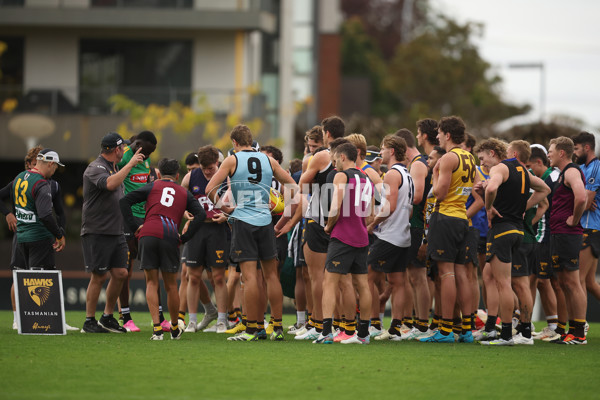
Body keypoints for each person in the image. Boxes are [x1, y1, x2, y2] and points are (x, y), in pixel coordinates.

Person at [206, 124, 298, 341]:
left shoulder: (232, 159)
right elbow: (293, 185)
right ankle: (276, 327)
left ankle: (252, 329)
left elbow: (211, 188)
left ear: (234, 143)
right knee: (271, 276)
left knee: (249, 278)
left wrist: (225, 209)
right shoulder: (268, 160)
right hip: (266, 221)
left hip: (243, 221)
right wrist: (285, 215)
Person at [120, 158, 206, 340]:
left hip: (148, 234)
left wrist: (135, 226)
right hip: (169, 236)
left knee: (151, 282)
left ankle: (157, 329)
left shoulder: (152, 186)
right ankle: (175, 328)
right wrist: (185, 238)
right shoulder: (183, 192)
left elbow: (124, 201)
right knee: (171, 285)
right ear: (177, 175)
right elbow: (201, 214)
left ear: (158, 174)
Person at [479, 140, 550, 346]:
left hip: (502, 230)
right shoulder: (523, 171)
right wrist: (523, 207)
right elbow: (545, 189)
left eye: (483, 158)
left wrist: (489, 207)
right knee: (494, 276)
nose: (483, 163)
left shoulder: (501, 167)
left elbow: (491, 188)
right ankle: (515, 330)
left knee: (504, 283)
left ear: (511, 152)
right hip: (518, 230)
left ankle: (506, 335)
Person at [420, 116, 478, 343]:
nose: (437, 137)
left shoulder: (449, 158)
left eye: (440, 133)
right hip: (462, 218)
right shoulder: (469, 157)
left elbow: (440, 193)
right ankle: (465, 329)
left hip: (445, 217)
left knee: (446, 274)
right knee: (462, 275)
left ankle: (445, 330)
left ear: (448, 135)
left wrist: (434, 176)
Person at [80, 132, 144, 333]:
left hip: (116, 231)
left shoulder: (114, 167)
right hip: (98, 230)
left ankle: (107, 316)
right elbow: (109, 184)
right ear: (116, 149)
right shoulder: (96, 167)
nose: (125, 150)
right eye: (123, 147)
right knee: (98, 276)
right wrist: (131, 164)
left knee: (121, 273)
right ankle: (89, 320)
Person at [314, 142, 373, 344]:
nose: (333, 163)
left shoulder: (342, 176)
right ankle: (363, 335)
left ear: (342, 157)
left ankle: (326, 333)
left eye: (334, 159)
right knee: (363, 285)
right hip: (362, 237)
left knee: (329, 283)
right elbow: (371, 214)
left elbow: (335, 206)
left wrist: (329, 226)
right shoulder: (366, 177)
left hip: (342, 236)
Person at [366, 135, 418, 341]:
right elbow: (410, 210)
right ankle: (395, 328)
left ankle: (370, 324)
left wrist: (373, 223)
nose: (381, 152)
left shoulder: (391, 174)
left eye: (383, 148)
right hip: (403, 234)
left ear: (392, 151)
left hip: (389, 235)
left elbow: (390, 206)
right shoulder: (407, 173)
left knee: (367, 276)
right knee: (398, 281)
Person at [181, 145, 229, 333]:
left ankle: (222, 320)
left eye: (211, 168)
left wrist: (226, 216)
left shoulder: (226, 176)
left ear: (217, 163)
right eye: (204, 168)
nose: (208, 172)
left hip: (217, 230)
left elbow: (237, 201)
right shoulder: (191, 177)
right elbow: (181, 200)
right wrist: (186, 213)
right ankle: (192, 320)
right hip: (198, 230)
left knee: (218, 276)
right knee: (193, 276)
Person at [547, 136, 588, 344]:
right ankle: (571, 331)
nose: (548, 154)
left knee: (572, 282)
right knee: (563, 282)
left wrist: (575, 218)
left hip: (567, 234)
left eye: (551, 150)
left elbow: (582, 197)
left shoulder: (571, 171)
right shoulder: (564, 173)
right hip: (559, 233)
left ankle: (579, 333)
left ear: (561, 152)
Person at [117, 130, 158, 332]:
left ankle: (157, 315)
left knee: (151, 266)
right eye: (147, 151)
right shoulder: (126, 155)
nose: (149, 155)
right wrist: (131, 154)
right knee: (125, 270)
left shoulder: (147, 162)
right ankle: (125, 316)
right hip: (127, 218)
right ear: (138, 146)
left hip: (145, 217)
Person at [10, 148, 66, 271]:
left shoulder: (19, 177)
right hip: (39, 238)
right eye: (55, 167)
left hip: (21, 238)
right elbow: (45, 215)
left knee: (24, 281)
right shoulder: (42, 183)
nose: (54, 171)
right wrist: (59, 235)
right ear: (50, 163)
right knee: (40, 283)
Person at [527, 145, 561, 341]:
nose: (529, 170)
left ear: (539, 162)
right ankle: (553, 324)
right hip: (546, 235)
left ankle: (525, 322)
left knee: (540, 279)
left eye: (531, 166)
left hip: (546, 235)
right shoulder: (547, 177)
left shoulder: (553, 177)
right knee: (544, 281)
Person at [572, 131, 600, 307]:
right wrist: (580, 202)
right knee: (589, 283)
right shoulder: (581, 168)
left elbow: (587, 199)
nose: (574, 152)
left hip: (591, 228)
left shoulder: (595, 168)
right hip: (584, 227)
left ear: (587, 147)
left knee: (577, 279)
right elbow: (580, 200)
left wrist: (580, 203)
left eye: (576, 148)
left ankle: (580, 326)